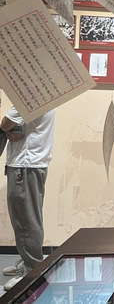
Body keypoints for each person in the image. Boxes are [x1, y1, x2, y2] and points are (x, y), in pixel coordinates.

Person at [0, 108, 56, 291]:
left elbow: (5, 123)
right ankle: (28, 262)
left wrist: (6, 129)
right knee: (27, 217)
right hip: (29, 164)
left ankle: (32, 271)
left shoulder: (28, 99)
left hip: (26, 164)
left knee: (26, 220)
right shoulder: (45, 97)